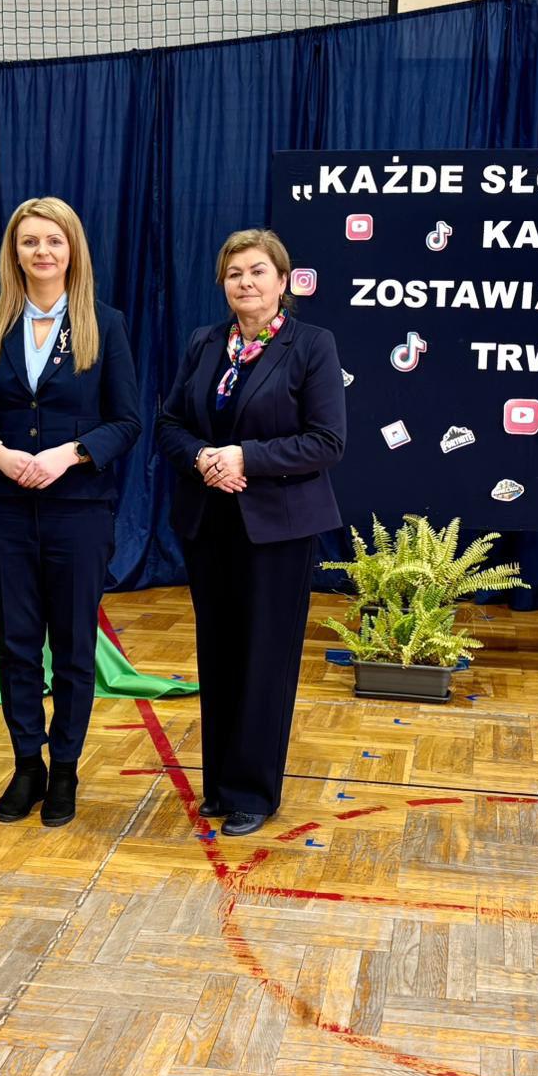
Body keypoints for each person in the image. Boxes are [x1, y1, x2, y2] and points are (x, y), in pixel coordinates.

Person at [0, 197, 140, 827]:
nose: (42, 251)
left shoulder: (104, 324)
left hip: (78, 511)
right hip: (4, 509)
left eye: (54, 241)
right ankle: (26, 764)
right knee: (15, 645)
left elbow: (127, 421)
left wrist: (71, 454)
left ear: (72, 250)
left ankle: (65, 769)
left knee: (73, 648)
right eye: (30, 241)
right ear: (14, 252)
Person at [156, 229, 346, 836]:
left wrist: (245, 457)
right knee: (219, 654)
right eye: (234, 273)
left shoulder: (311, 345)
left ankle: (254, 793)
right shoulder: (205, 342)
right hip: (208, 521)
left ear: (283, 280)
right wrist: (202, 459)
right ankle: (219, 784)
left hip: (277, 528)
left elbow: (326, 441)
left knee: (265, 658)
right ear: (223, 284)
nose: (246, 282)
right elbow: (169, 424)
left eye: (258, 271)